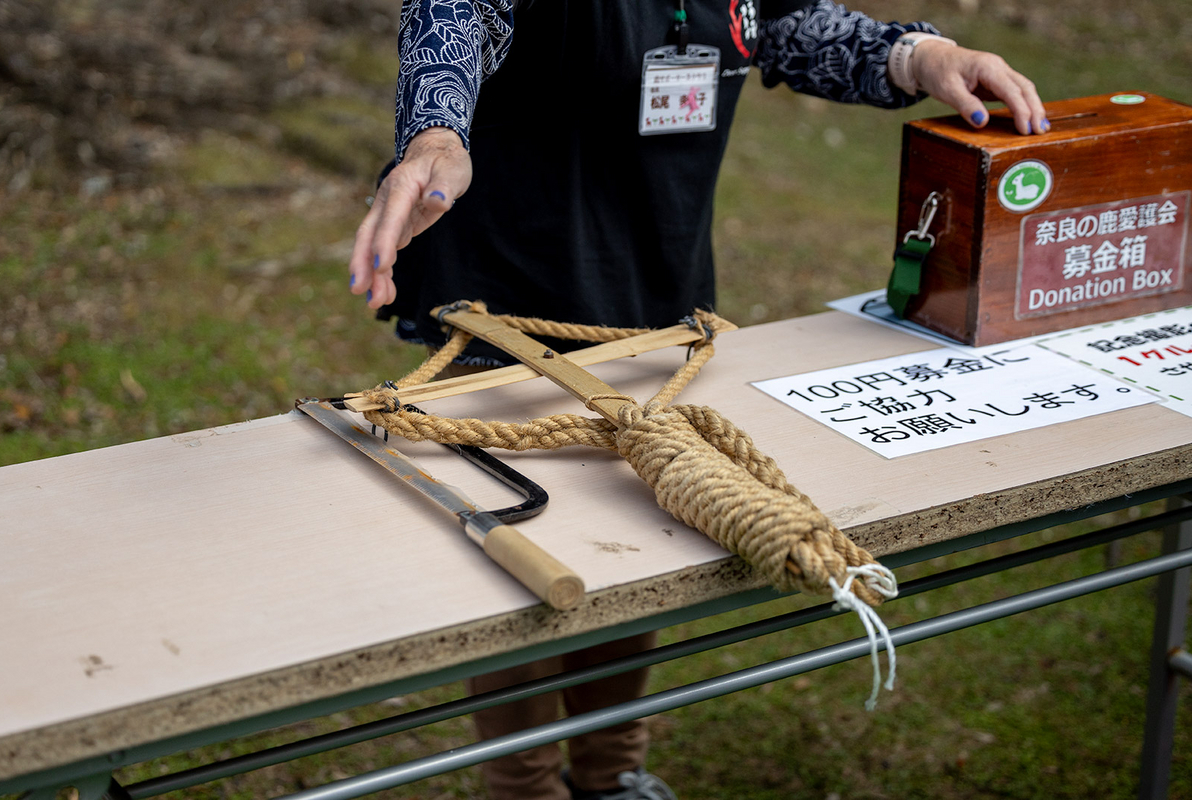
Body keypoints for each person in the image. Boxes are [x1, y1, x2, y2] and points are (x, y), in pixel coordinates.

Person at [347, 2, 1047, 798]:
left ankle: (610, 774)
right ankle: (524, 784)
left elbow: (789, 27)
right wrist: (436, 131)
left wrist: (921, 58)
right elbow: (459, 11)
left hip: (654, 299)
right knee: (527, 558)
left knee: (644, 532)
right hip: (507, 303)